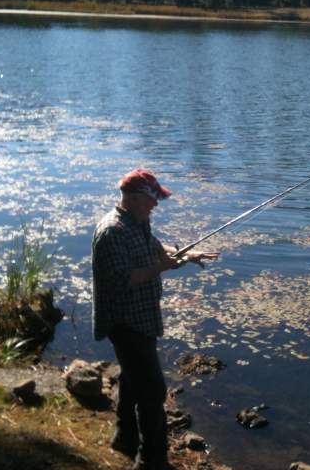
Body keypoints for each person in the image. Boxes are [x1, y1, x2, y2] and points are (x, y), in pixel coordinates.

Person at [92, 169, 218, 470]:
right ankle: (151, 460)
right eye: (152, 199)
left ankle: (125, 438)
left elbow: (156, 250)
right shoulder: (112, 232)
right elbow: (124, 279)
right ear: (135, 198)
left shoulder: (138, 222)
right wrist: (161, 267)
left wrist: (187, 256)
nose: (156, 205)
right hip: (125, 322)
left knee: (132, 380)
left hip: (143, 318)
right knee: (152, 391)